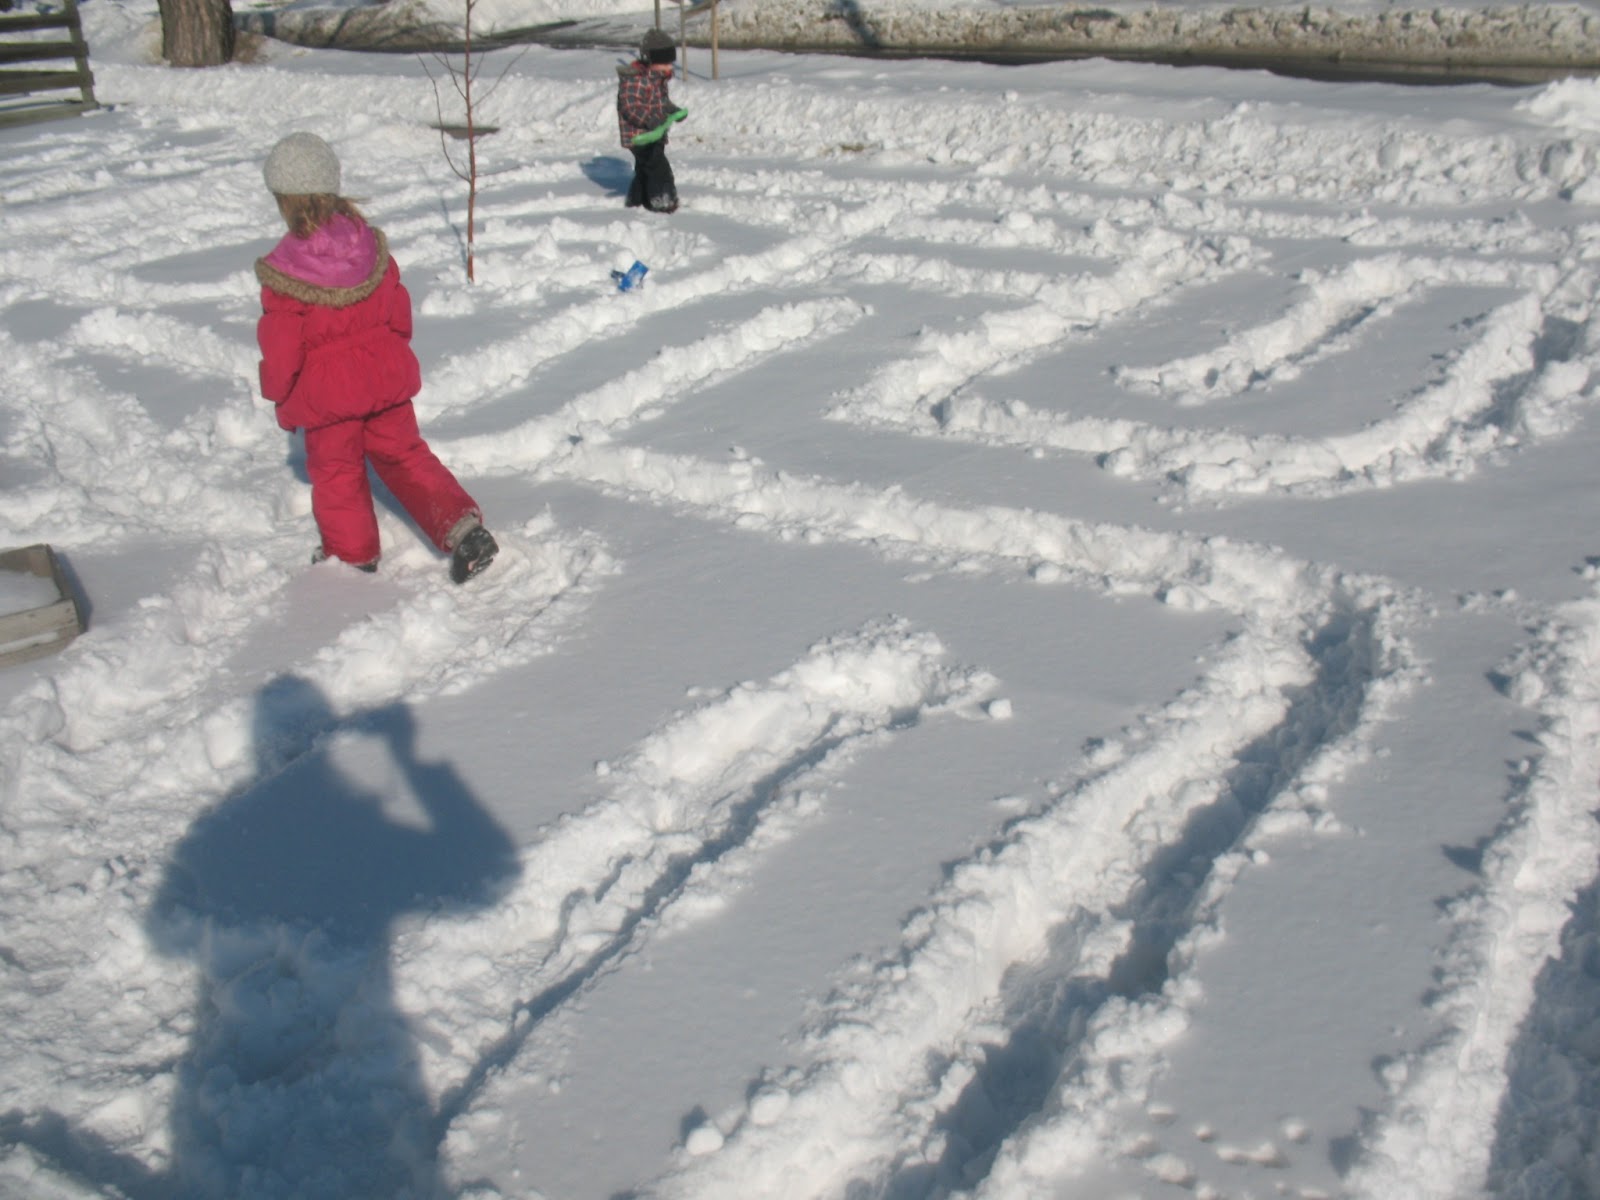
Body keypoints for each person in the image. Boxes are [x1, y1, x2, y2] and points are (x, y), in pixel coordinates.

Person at [254, 131, 498, 584]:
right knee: (405, 454)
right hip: (385, 381)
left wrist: (280, 394)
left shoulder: (286, 272)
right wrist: (389, 361)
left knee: (337, 471)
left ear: (284, 200)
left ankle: (353, 557)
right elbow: (398, 315)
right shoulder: (368, 246)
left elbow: (281, 349)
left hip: (327, 399)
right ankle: (463, 529)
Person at [616, 29, 687, 214]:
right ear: (649, 60)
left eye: (670, 63)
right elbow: (630, 108)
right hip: (639, 135)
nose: (669, 68)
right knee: (658, 168)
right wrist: (649, 121)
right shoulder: (636, 80)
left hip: (653, 133)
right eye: (664, 63)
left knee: (645, 168)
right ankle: (662, 200)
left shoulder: (657, 79)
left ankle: (637, 200)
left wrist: (673, 110)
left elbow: (661, 102)